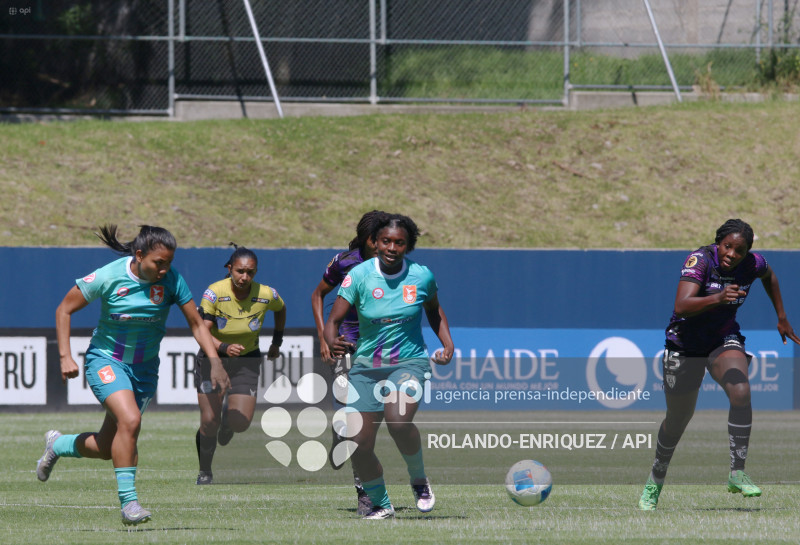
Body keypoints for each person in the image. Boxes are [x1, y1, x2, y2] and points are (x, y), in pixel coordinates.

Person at [39, 225, 230, 526]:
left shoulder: (172, 281)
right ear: (139, 255)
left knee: (106, 446)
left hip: (144, 371)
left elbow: (196, 324)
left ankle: (59, 445)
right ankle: (130, 505)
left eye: (169, 262)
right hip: (106, 361)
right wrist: (65, 356)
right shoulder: (109, 276)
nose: (165, 269)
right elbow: (64, 309)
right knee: (130, 421)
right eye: (159, 263)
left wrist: (215, 361)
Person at [639, 219, 800, 510]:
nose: (732, 254)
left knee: (740, 390)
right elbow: (681, 305)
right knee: (677, 421)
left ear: (747, 252)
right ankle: (655, 480)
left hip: (722, 339)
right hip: (684, 344)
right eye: (728, 246)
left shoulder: (753, 264)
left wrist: (782, 316)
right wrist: (717, 297)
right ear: (718, 243)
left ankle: (737, 473)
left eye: (740, 250)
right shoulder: (700, 261)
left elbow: (770, 276)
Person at [324, 212, 454, 520]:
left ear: (408, 246)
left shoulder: (421, 276)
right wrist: (332, 340)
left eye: (399, 242)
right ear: (375, 242)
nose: (392, 248)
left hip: (409, 362)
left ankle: (419, 479)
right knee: (359, 443)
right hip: (366, 367)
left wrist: (447, 345)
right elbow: (334, 321)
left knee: (398, 421)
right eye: (386, 241)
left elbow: (434, 312)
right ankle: (381, 503)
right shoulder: (358, 276)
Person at [194, 243, 286, 485]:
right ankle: (205, 470)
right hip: (213, 359)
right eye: (240, 271)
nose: (245, 277)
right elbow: (201, 331)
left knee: (240, 423)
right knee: (208, 421)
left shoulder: (266, 294)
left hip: (247, 360)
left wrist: (277, 341)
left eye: (250, 272)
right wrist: (223, 348)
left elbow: (281, 308)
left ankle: (227, 423)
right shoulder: (214, 293)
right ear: (230, 269)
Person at [311, 210, 381, 516]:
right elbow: (317, 295)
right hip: (347, 346)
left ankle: (340, 429)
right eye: (380, 240)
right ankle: (364, 495)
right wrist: (324, 338)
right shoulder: (344, 262)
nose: (388, 247)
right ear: (368, 240)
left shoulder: (398, 268)